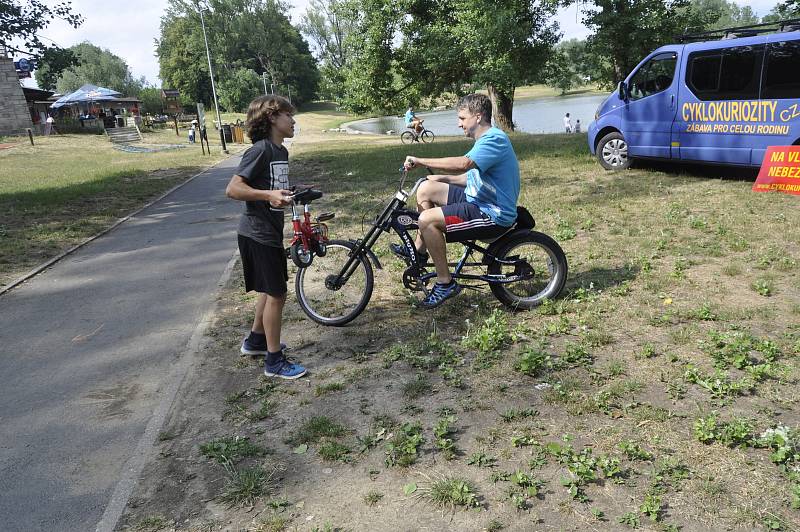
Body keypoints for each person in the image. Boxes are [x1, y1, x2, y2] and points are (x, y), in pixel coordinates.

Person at [394, 93, 520, 309]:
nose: (458, 123)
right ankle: (419, 252)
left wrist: (421, 161)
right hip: (478, 198)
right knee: (426, 189)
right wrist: (440, 178)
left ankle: (445, 282)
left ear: (478, 117)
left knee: (426, 220)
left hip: (492, 212)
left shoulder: (494, 139)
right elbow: (469, 176)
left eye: (462, 118)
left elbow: (464, 164)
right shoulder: (485, 140)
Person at [225, 95, 307, 379]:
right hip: (256, 232)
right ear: (272, 117)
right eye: (288, 115)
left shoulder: (280, 151)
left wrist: (293, 191)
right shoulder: (260, 150)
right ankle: (274, 361)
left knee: (269, 290)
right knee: (277, 294)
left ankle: (256, 341)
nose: (293, 120)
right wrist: (267, 195)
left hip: (269, 232)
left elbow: (274, 187)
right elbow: (233, 189)